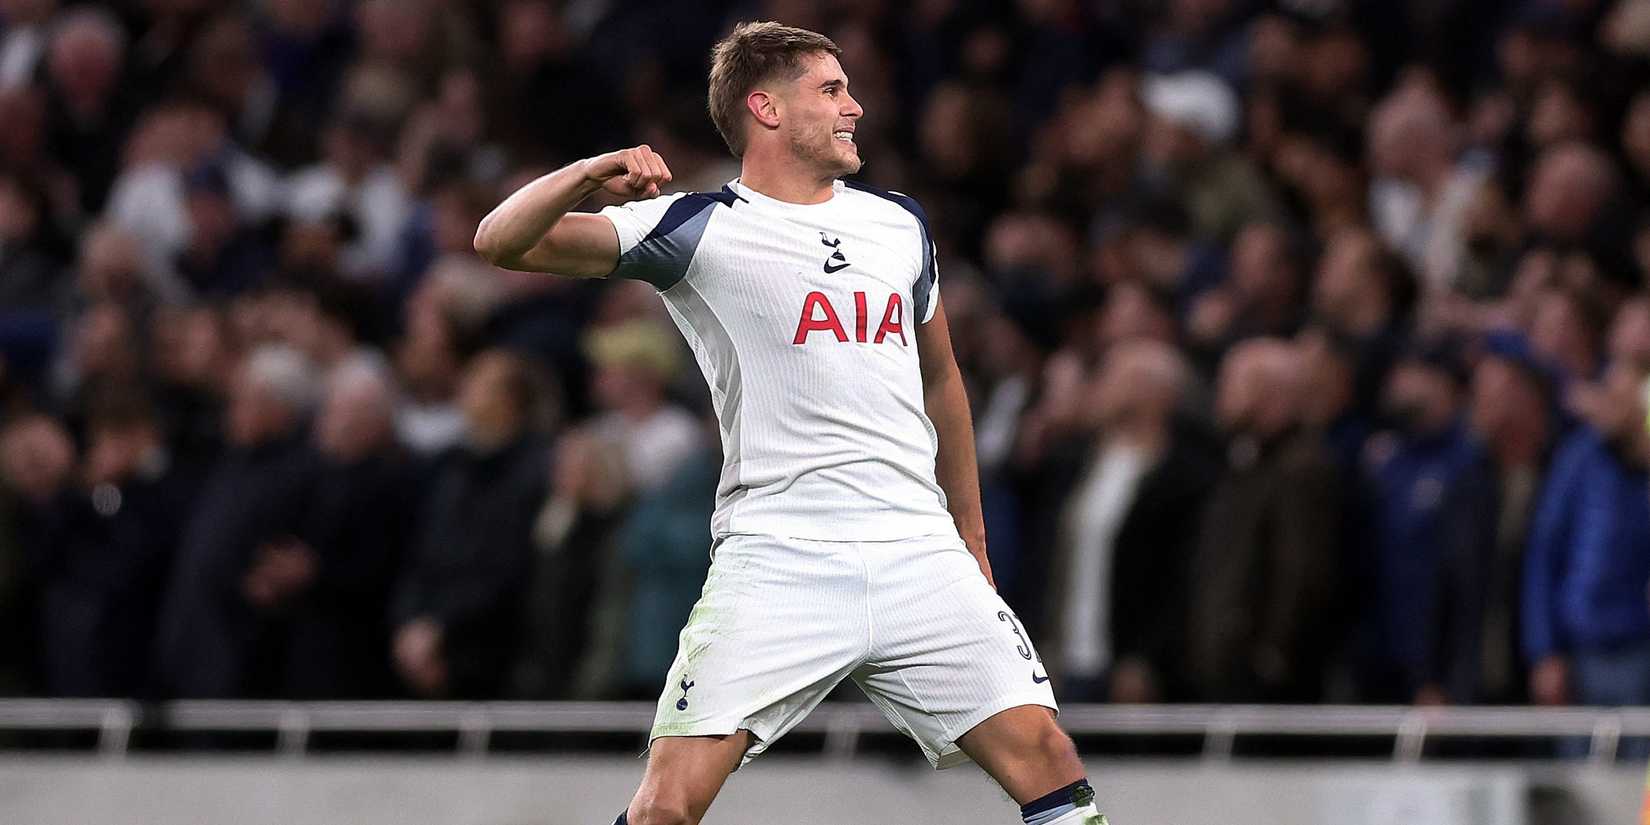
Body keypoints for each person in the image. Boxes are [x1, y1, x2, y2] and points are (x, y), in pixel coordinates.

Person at [474, 21, 1108, 825]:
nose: (856, 107)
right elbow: (500, 242)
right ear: (766, 108)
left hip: (917, 548)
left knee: (1048, 756)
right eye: (832, 90)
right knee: (669, 803)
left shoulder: (899, 223)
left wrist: (970, 536)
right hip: (781, 554)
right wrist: (586, 176)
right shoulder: (696, 227)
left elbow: (940, 377)